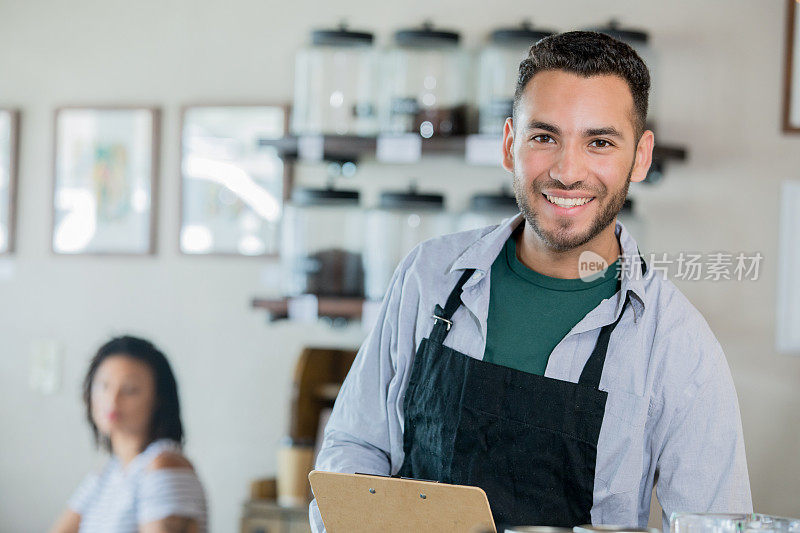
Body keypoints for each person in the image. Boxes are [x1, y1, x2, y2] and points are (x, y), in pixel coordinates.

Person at [310, 31, 752, 532]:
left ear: (641, 156)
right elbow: (355, 448)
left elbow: (718, 526)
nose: (568, 171)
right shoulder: (428, 277)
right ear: (508, 144)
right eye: (545, 137)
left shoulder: (677, 345)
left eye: (600, 142)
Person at [50, 336, 207, 533]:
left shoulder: (163, 465)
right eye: (103, 386)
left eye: (130, 390)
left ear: (158, 399)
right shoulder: (106, 475)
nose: (112, 399)